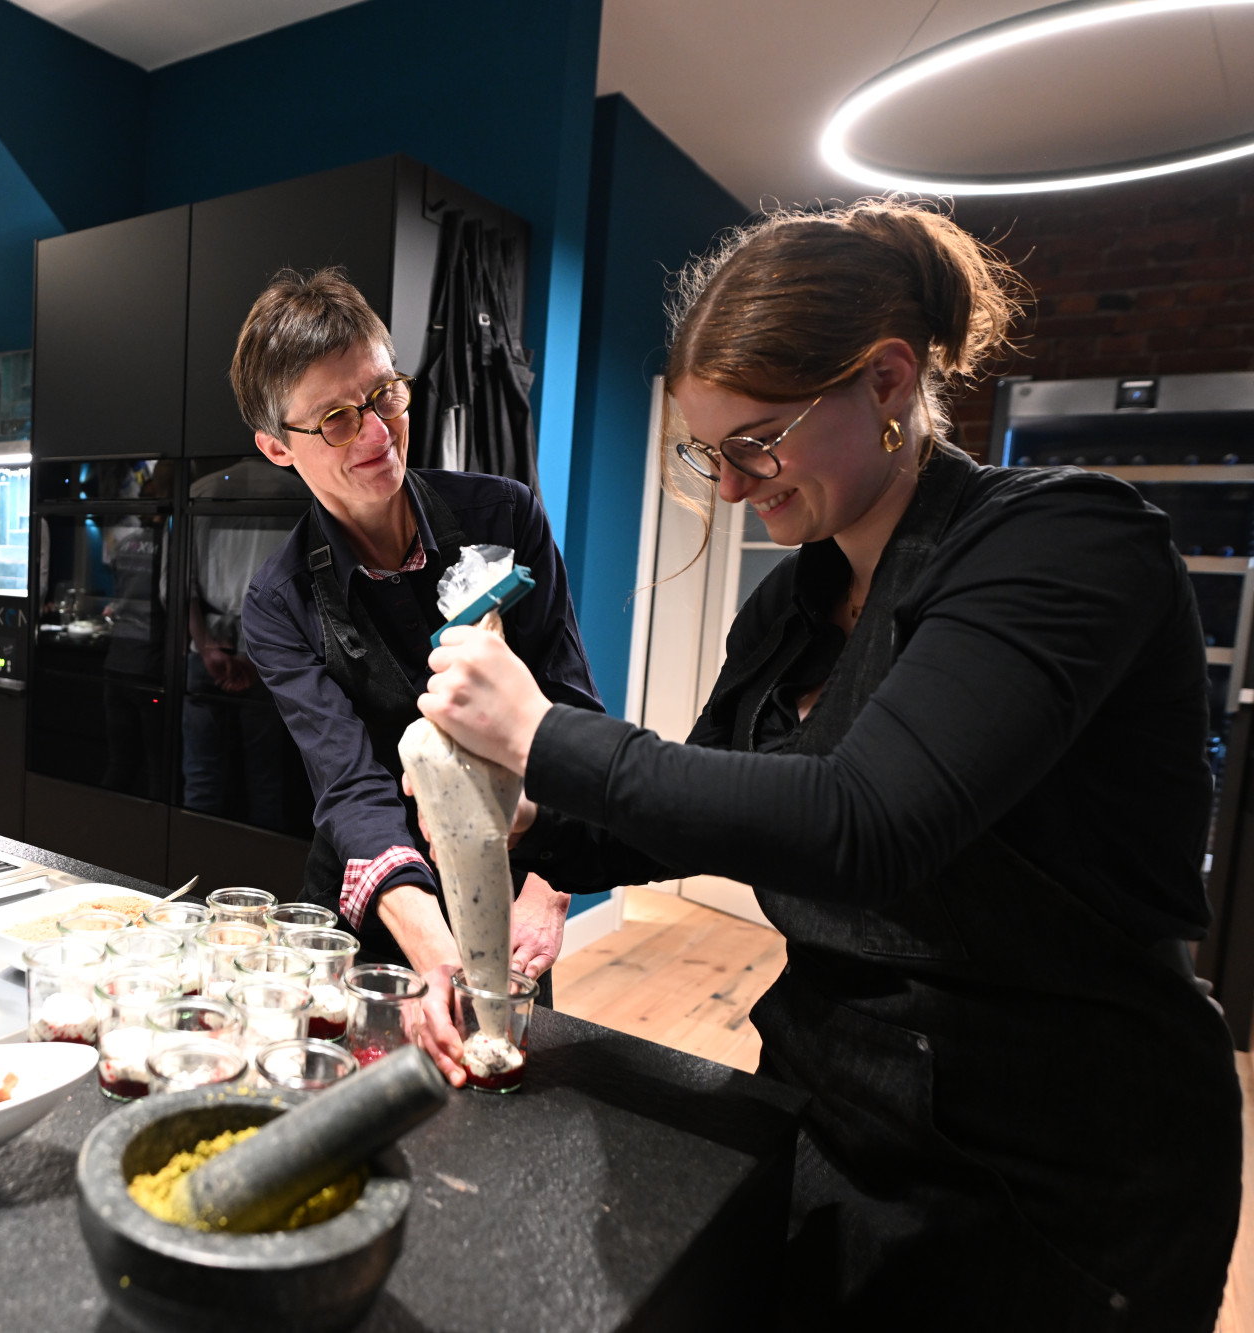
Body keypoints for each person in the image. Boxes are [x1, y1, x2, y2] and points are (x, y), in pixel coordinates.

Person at [417, 200, 1241, 1328]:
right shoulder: (789, 605)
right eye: (708, 452)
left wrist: (542, 735)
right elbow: (690, 815)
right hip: (829, 1106)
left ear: (887, 381)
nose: (730, 486)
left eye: (755, 442)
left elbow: (865, 823)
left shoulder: (1064, 548)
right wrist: (518, 821)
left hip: (1054, 1171)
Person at [235, 269, 600, 1059]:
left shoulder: (503, 516)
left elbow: (569, 718)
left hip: (512, 882)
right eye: (335, 419)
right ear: (275, 446)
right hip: (375, 902)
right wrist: (446, 960)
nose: (376, 434)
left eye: (384, 396)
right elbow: (351, 786)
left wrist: (550, 883)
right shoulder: (279, 600)